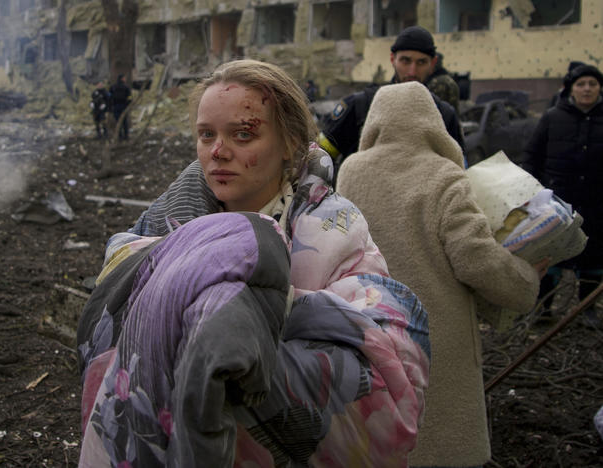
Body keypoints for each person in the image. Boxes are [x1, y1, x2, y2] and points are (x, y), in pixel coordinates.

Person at [77, 59, 431, 467]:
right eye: (206, 134)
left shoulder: (334, 230)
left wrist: (251, 318)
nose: (218, 151)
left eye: (243, 135)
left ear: (290, 143)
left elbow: (385, 366)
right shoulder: (159, 225)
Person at [336, 81, 545, 468]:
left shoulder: (351, 171)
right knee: (440, 440)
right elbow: (475, 259)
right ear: (433, 123)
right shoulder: (444, 176)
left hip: (370, 320)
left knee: (378, 432)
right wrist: (524, 277)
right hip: (435, 335)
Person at [521, 64, 603, 312]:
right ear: (571, 89)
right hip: (556, 202)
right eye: (581, 84)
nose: (587, 89)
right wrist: (528, 190)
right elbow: (532, 155)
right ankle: (543, 310)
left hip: (597, 204)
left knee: (594, 258)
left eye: (592, 84)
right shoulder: (553, 117)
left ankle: (586, 311)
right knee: (550, 256)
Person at [318, 25, 464, 161]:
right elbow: (318, 159)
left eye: (421, 62)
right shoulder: (360, 106)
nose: (412, 71)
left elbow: (457, 170)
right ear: (392, 59)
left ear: (432, 64)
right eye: (405, 61)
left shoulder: (445, 115)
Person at [109, 74, 132, 140]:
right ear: (122, 79)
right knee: (124, 122)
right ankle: (126, 136)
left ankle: (120, 136)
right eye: (124, 78)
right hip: (123, 106)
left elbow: (110, 97)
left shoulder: (113, 87)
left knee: (118, 122)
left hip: (115, 106)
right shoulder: (126, 87)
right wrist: (128, 104)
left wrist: (111, 106)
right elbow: (129, 97)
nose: (125, 79)